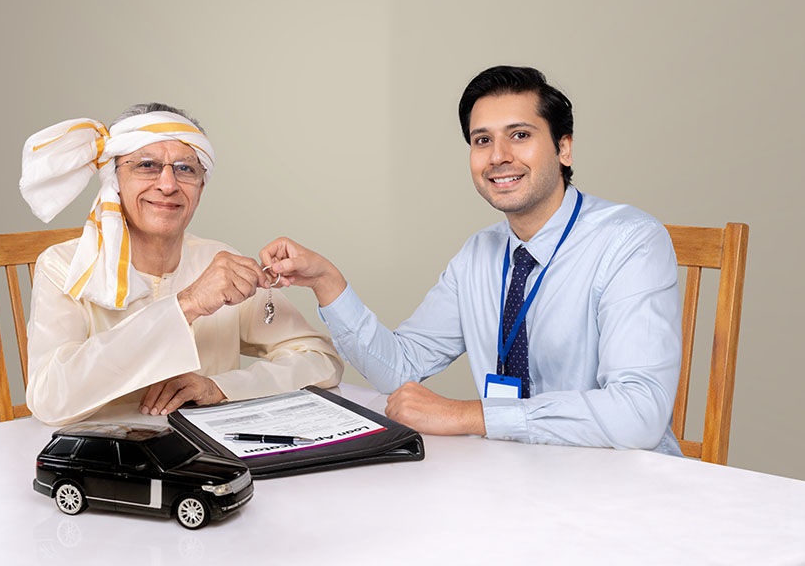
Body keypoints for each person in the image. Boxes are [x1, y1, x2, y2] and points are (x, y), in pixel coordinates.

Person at [260, 66, 683, 455]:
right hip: (515, 477)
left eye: (520, 135)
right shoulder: (480, 253)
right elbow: (401, 368)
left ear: (564, 149)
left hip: (622, 486)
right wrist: (327, 282)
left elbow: (640, 414)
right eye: (482, 140)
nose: (498, 156)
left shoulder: (631, 242)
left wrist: (470, 415)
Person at [20, 103, 343, 426]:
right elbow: (50, 400)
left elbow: (321, 360)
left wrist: (220, 387)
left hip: (208, 451)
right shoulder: (64, 267)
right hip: (102, 451)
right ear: (114, 179)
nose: (168, 185)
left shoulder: (218, 263)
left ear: (201, 187)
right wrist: (187, 304)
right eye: (147, 165)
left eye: (185, 169)